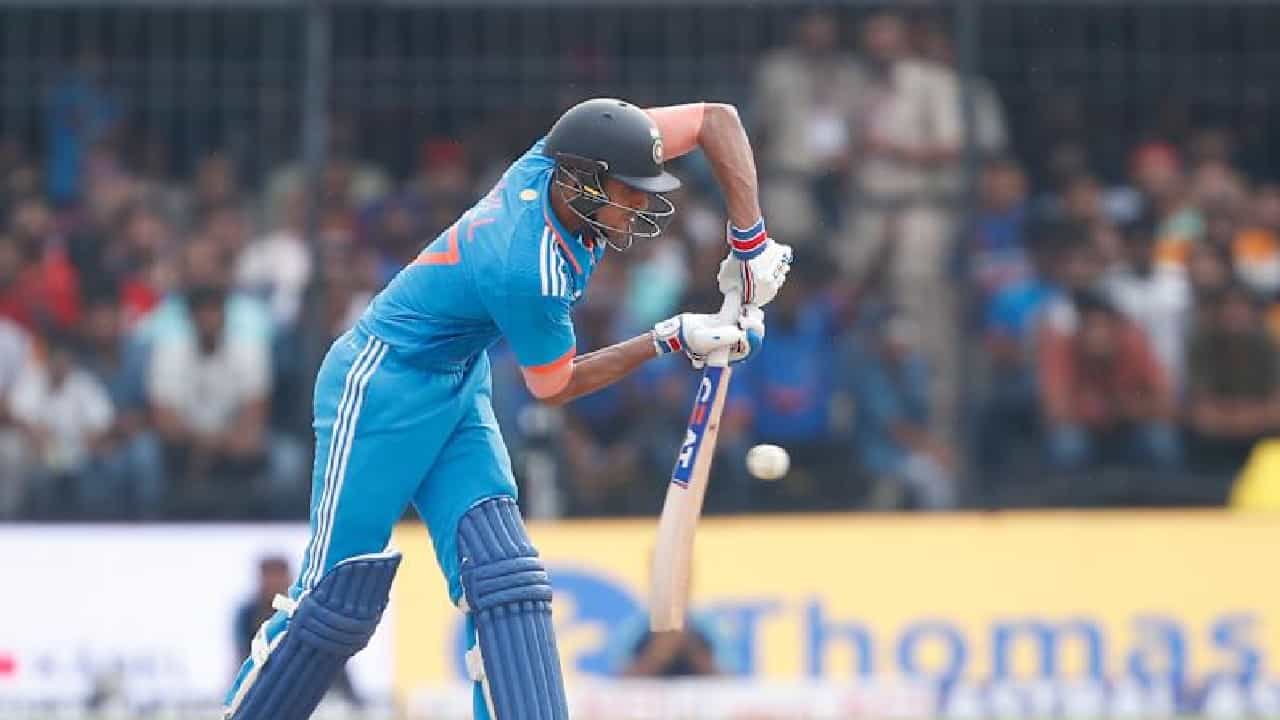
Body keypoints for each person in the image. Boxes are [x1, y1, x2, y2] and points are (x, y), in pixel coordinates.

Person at [222, 98, 792, 720]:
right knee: (334, 601)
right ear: (584, 181)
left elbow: (716, 120)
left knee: (507, 582)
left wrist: (750, 241)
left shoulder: (564, 157)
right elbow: (555, 386)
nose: (638, 205)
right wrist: (669, 338)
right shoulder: (527, 266)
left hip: (457, 381)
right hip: (382, 386)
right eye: (629, 191)